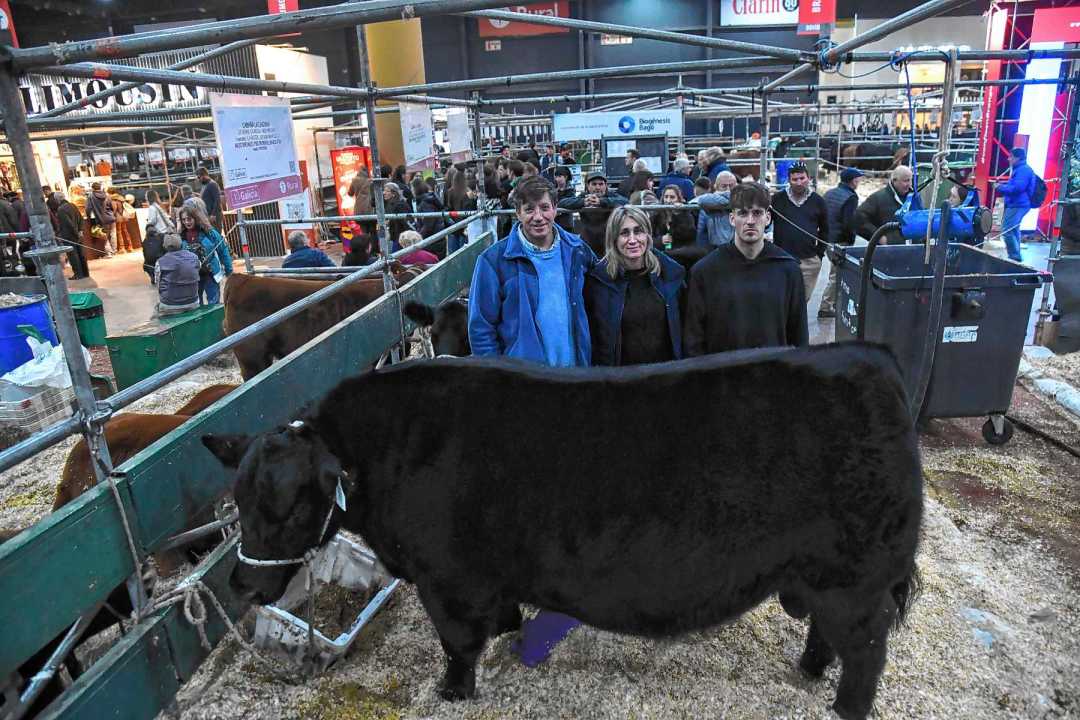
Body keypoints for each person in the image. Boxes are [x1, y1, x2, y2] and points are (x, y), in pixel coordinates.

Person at [469, 174, 595, 366]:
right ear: (517, 213)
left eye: (544, 208)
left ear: (555, 208)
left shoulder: (577, 250)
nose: (538, 217)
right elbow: (481, 329)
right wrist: (496, 377)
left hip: (576, 376)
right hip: (523, 381)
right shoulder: (494, 262)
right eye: (529, 209)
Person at [684, 182, 808, 355]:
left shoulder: (788, 269)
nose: (750, 221)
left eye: (757, 213)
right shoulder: (705, 272)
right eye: (743, 213)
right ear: (732, 218)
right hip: (723, 376)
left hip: (773, 374)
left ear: (768, 218)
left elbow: (799, 334)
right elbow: (694, 337)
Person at [585, 205, 685, 366]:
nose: (632, 240)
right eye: (624, 233)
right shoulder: (599, 282)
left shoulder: (671, 275)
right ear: (614, 239)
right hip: (620, 380)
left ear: (647, 235)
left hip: (666, 377)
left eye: (638, 231)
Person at [770, 163, 830, 303]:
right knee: (782, 299)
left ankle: (798, 325)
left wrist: (819, 255)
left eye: (802, 178)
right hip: (782, 258)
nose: (798, 182)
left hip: (808, 260)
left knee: (802, 301)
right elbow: (766, 222)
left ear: (808, 178)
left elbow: (825, 229)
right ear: (789, 180)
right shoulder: (778, 199)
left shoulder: (818, 201)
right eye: (794, 179)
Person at [818, 168, 864, 318]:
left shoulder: (830, 193)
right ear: (852, 181)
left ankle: (834, 303)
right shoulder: (850, 197)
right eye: (858, 179)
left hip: (827, 239)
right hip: (840, 240)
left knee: (837, 272)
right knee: (837, 274)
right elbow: (848, 222)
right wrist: (850, 239)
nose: (859, 181)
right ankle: (826, 307)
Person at [557, 171, 628, 256]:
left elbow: (625, 201)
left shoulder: (611, 195)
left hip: (609, 243)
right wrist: (583, 202)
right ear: (588, 186)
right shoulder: (584, 196)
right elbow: (563, 203)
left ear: (606, 186)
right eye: (594, 184)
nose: (598, 187)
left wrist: (602, 202)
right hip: (588, 243)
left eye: (601, 184)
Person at [179, 204, 232, 305]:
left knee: (214, 303)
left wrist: (229, 271)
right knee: (195, 305)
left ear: (195, 218)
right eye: (184, 219)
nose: (186, 222)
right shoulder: (181, 237)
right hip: (192, 277)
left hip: (210, 273)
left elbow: (223, 250)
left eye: (189, 219)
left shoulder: (209, 232)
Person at [995, 147, 1037, 263]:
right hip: (1018, 204)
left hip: (1018, 204)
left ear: (1017, 158)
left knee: (1007, 230)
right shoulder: (1021, 169)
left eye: (1011, 157)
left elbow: (1018, 188)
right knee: (1014, 230)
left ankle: (1014, 256)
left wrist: (1000, 187)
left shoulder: (1023, 170)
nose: (1008, 159)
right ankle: (1016, 255)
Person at [855, 165, 914, 247]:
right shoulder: (878, 198)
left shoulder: (915, 198)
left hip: (914, 248)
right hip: (890, 251)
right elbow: (858, 218)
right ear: (894, 180)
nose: (909, 184)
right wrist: (878, 237)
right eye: (906, 181)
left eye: (910, 180)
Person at [155, 233, 201, 316]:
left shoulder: (160, 261)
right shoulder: (194, 257)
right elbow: (198, 268)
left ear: (165, 246)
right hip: (193, 302)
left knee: (156, 312)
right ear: (181, 244)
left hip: (170, 305)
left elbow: (157, 284)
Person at [49, 191, 90, 280]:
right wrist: (80, 231)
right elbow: (80, 218)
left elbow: (68, 224)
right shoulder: (72, 205)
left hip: (69, 236)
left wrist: (76, 233)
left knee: (73, 255)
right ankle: (85, 273)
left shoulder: (61, 209)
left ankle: (78, 274)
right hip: (77, 234)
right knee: (81, 254)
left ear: (57, 200)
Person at [695, 171, 739, 248]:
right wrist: (731, 200)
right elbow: (702, 200)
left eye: (731, 186)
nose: (728, 190)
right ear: (716, 187)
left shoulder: (742, 198)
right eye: (724, 186)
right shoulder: (710, 200)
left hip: (737, 245)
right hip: (715, 247)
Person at [143, 189, 175, 284]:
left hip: (160, 235)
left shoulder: (152, 208)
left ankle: (157, 275)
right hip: (167, 233)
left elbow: (152, 221)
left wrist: (147, 225)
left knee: (152, 256)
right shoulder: (158, 206)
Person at [86, 181, 117, 257]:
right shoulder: (106, 195)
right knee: (113, 233)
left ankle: (109, 253)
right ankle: (114, 250)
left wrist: (89, 216)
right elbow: (111, 206)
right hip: (110, 217)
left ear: (92, 188)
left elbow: (88, 208)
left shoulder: (91, 196)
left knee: (104, 236)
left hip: (101, 218)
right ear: (100, 187)